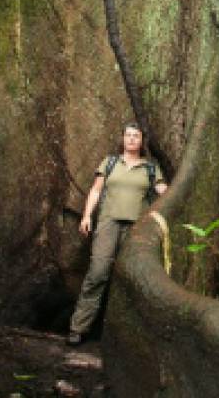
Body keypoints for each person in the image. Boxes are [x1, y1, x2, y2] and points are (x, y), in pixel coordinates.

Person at [67, 123, 167, 346]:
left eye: (136, 136)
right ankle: (78, 328)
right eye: (128, 135)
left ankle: (125, 339)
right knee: (98, 273)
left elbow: (163, 192)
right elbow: (95, 190)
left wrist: (173, 192)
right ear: (122, 139)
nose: (132, 139)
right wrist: (86, 216)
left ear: (142, 141)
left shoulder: (150, 168)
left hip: (136, 229)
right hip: (107, 224)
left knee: (129, 279)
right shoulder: (110, 162)